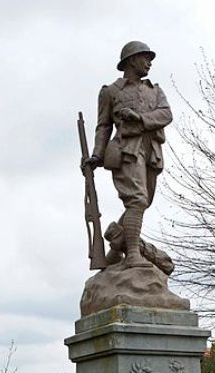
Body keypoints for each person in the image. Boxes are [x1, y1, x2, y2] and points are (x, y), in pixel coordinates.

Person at [87, 41, 173, 268]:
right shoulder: (111, 91)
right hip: (126, 149)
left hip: (151, 149)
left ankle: (116, 249)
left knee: (143, 202)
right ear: (132, 60)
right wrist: (96, 155)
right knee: (137, 199)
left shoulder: (155, 90)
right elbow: (103, 126)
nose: (150, 63)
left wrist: (140, 118)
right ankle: (133, 254)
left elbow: (166, 114)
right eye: (146, 58)